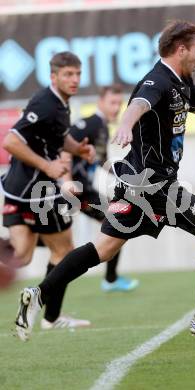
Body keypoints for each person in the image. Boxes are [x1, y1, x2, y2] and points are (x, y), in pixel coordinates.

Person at [14, 20, 195, 342]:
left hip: (137, 186)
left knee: (104, 249)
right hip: (156, 186)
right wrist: (125, 125)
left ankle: (38, 294)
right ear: (181, 50)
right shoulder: (157, 79)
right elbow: (139, 103)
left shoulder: (181, 80)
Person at [0, 51, 95, 334]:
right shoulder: (46, 103)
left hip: (18, 190)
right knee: (65, 252)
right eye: (68, 74)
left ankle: (50, 315)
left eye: (77, 74)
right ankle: (51, 317)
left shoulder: (59, 104)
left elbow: (55, 137)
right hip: (38, 192)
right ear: (54, 77)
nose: (74, 79)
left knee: (22, 255)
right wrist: (48, 166)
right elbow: (11, 141)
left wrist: (76, 148)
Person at [65, 84, 139, 292]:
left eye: (119, 103)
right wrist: (67, 181)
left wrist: (125, 177)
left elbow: (100, 160)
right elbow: (63, 147)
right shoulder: (89, 124)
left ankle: (111, 278)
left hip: (83, 191)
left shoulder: (103, 127)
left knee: (118, 217)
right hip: (71, 191)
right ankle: (110, 278)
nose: (116, 108)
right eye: (112, 103)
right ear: (101, 103)